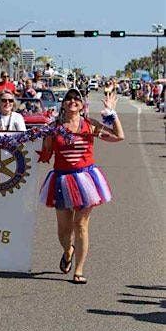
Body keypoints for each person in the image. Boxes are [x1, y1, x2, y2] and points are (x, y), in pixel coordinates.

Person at [38, 89, 124, 284]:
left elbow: (119, 136)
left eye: (76, 98)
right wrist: (44, 134)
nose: (72, 101)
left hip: (86, 180)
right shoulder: (54, 127)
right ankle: (68, 251)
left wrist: (112, 113)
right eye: (68, 98)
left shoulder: (90, 125)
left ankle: (78, 270)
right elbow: (46, 152)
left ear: (82, 104)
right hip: (61, 180)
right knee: (63, 229)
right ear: (63, 104)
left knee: (81, 225)